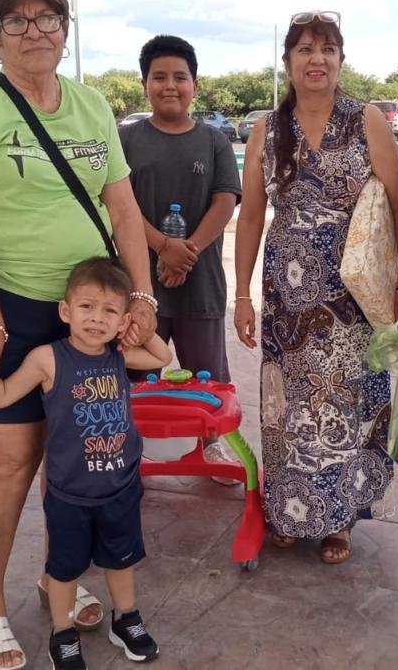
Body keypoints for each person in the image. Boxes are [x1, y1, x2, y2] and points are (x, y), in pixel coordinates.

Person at [0, 0, 156, 670]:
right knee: (10, 459)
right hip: (16, 307)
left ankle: (56, 575)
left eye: (47, 18)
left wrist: (142, 298)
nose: (34, 32)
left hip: (92, 311)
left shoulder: (91, 106)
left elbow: (124, 211)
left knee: (76, 452)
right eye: (16, 20)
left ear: (65, 28)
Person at [233, 10, 398, 564]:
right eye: (305, 49)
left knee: (346, 402)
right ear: (288, 61)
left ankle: (339, 518)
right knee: (289, 405)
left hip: (353, 298)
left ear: (341, 59)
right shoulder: (267, 130)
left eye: (327, 49)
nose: (317, 59)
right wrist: (241, 294)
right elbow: (251, 217)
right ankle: (290, 510)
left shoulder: (366, 121)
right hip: (286, 297)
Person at [0, 258, 171, 669]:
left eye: (109, 311)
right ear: (65, 310)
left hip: (119, 487)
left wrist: (138, 330)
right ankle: (63, 633)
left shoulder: (119, 356)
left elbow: (161, 355)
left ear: (122, 320)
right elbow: (3, 395)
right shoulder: (48, 359)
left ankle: (126, 618)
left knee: (122, 559)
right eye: (86, 307)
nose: (96, 319)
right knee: (63, 568)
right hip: (69, 494)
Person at [119, 34, 242, 482]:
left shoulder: (214, 140)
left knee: (208, 377)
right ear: (145, 84)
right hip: (139, 284)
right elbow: (120, 204)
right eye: (159, 77)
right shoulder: (126, 139)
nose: (169, 85)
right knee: (134, 375)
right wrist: (162, 247)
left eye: (180, 77)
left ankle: (213, 446)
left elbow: (225, 200)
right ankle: (128, 453)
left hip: (200, 281)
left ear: (195, 85)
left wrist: (185, 252)